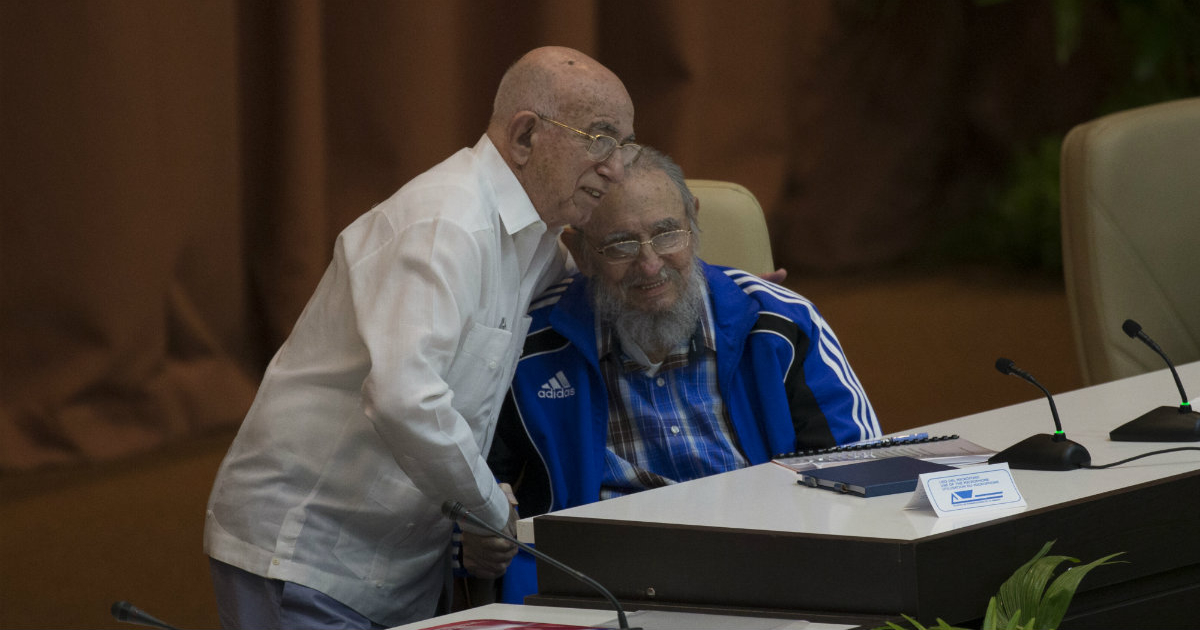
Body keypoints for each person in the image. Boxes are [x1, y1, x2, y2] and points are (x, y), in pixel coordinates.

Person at [203, 46, 640, 629]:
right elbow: (404, 398)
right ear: (526, 136)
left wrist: (721, 290)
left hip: (398, 559)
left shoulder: (537, 236)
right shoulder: (447, 226)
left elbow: (598, 300)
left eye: (626, 147)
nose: (617, 168)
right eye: (601, 140)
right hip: (307, 552)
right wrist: (490, 510)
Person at [481, 147, 881, 601]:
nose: (650, 265)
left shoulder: (779, 324)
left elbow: (861, 472)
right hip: (597, 589)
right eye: (620, 244)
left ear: (693, 221)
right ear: (579, 251)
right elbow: (477, 499)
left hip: (767, 569)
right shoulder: (529, 347)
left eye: (667, 234)